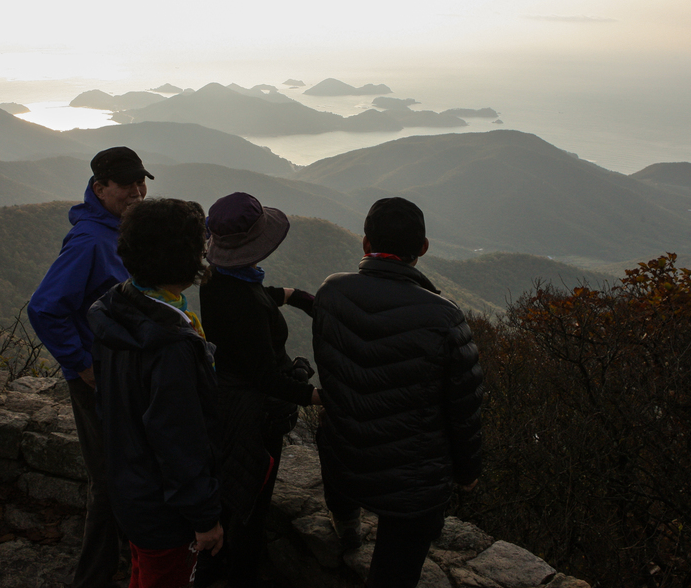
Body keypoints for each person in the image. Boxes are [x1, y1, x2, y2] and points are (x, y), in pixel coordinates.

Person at [312, 197, 484, 588]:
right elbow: (464, 407)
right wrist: (467, 470)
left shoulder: (331, 292)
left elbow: (334, 372)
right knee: (394, 574)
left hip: (343, 452)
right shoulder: (444, 318)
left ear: (365, 244)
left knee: (341, 473)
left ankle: (348, 528)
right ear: (422, 249)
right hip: (412, 478)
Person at [27, 146, 153, 588]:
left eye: (141, 182)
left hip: (120, 372)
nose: (137, 191)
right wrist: (82, 366)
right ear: (100, 188)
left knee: (124, 469)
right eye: (126, 184)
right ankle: (94, 576)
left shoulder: (118, 229)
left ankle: (126, 554)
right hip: (99, 378)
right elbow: (44, 308)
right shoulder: (89, 242)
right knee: (109, 477)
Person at [88, 198, 224, 588]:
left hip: (131, 486)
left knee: (144, 571)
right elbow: (179, 439)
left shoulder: (117, 308)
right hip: (165, 510)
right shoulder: (171, 345)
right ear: (188, 261)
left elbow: (110, 402)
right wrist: (205, 518)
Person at [197, 192, 321, 587]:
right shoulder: (240, 295)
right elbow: (266, 377)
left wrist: (292, 296)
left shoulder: (217, 279)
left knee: (236, 501)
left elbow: (248, 302)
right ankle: (237, 575)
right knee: (249, 508)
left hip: (229, 403)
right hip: (255, 417)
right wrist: (319, 396)